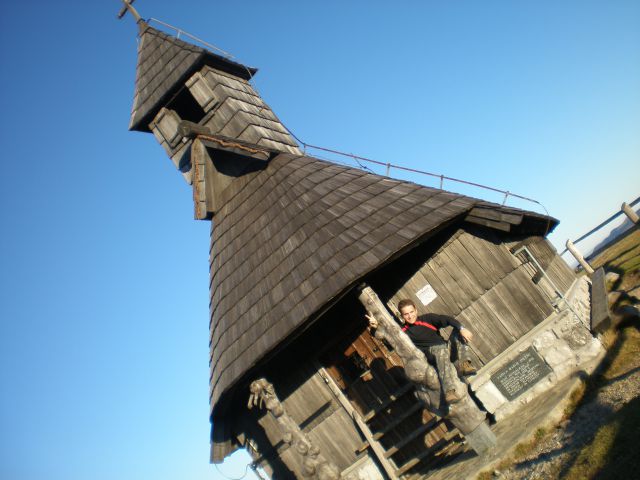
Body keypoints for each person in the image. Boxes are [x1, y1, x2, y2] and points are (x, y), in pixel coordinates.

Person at [367, 299, 476, 403]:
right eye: (406, 314)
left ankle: (465, 365)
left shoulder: (427, 319)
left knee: (458, 331)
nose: (410, 316)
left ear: (416, 310)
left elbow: (447, 319)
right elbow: (386, 337)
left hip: (446, 349)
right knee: (439, 351)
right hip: (433, 356)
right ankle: (450, 391)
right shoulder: (402, 332)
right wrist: (375, 328)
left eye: (411, 312)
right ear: (402, 316)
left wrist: (462, 328)